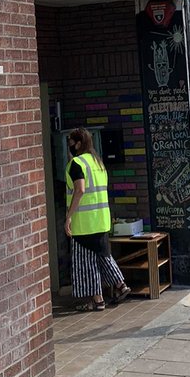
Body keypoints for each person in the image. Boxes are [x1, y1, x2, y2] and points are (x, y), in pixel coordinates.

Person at [64, 128, 130, 311]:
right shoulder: (97, 163)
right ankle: (115, 287)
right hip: (101, 220)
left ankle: (98, 298)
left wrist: (68, 217)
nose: (68, 145)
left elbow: (80, 190)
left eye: (70, 141)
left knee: (84, 263)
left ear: (78, 144)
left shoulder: (77, 163)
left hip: (84, 223)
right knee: (100, 257)